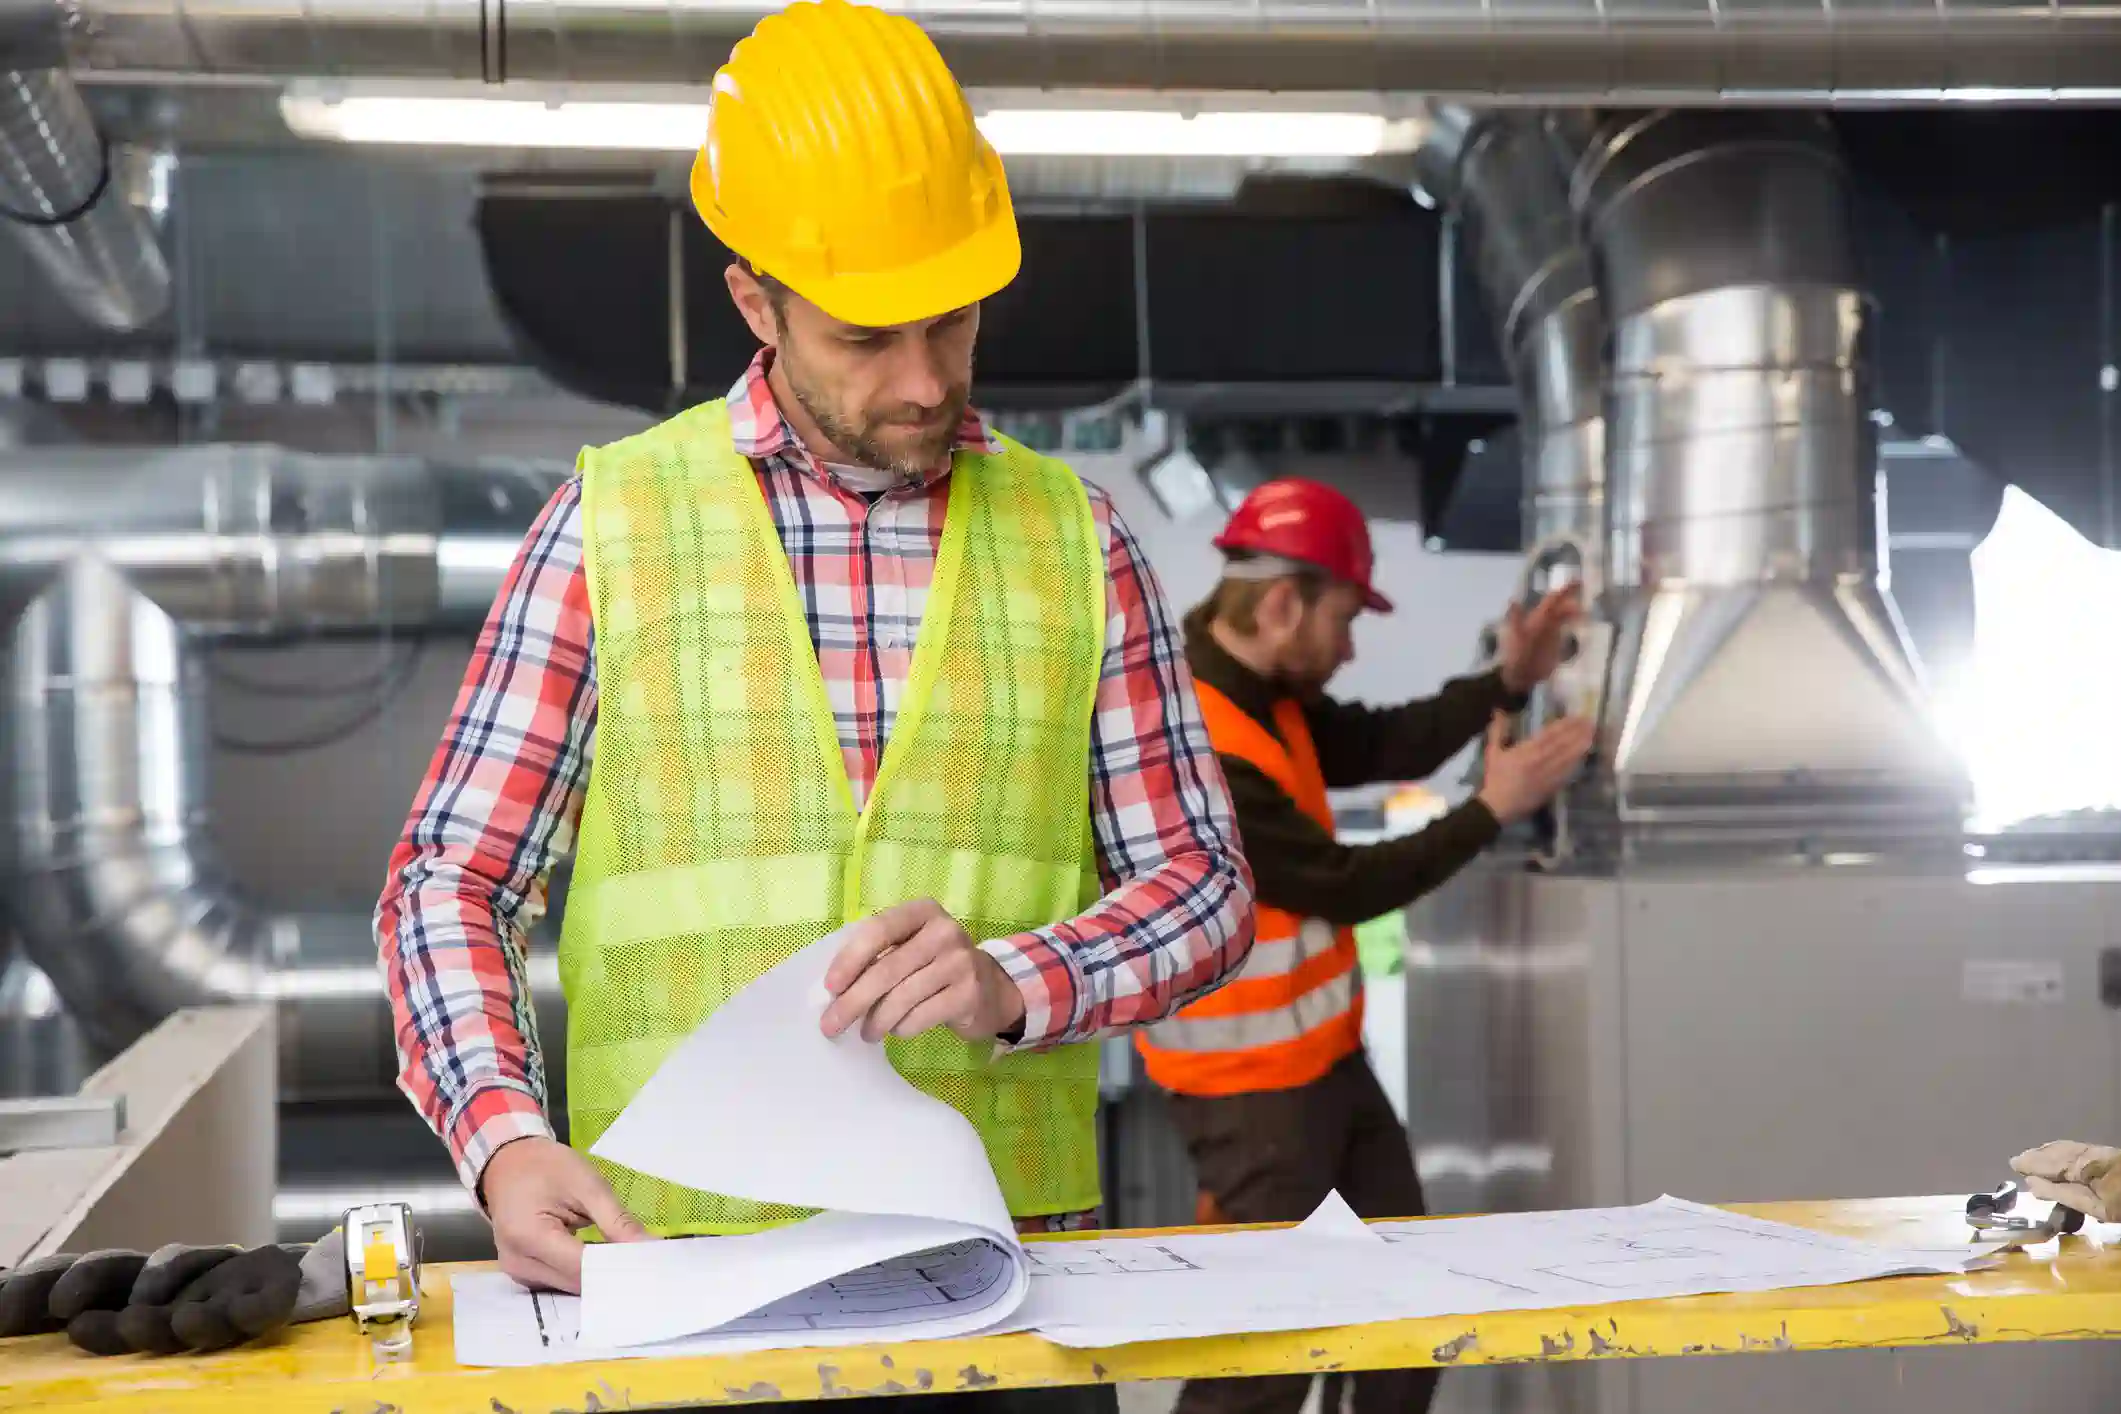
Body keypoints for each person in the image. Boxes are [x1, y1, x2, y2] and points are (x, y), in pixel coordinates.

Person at [372, 0, 1256, 1371]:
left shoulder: (1079, 539)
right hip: (678, 1282)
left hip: (1004, 1292)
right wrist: (502, 1135)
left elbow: (1202, 886)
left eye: (952, 321)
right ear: (754, 299)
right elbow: (450, 878)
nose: (924, 380)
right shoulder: (609, 525)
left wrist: (1019, 977)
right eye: (866, 335)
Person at [1136, 478, 1595, 1414]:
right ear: (1280, 604)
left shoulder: (1268, 693)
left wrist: (1506, 681)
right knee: (1263, 1361)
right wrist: (1488, 810)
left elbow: (1388, 742)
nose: (1349, 647)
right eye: (1343, 620)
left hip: (1327, 1069)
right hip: (1252, 1096)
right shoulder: (1201, 742)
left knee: (1401, 1318)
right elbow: (1345, 886)